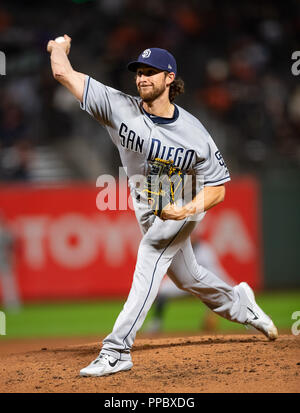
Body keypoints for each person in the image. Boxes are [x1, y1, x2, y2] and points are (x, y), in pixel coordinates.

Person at [47, 35, 278, 377]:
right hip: (146, 205)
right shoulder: (118, 106)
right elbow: (64, 75)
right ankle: (240, 304)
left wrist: (185, 212)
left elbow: (218, 189)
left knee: (151, 255)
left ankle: (116, 350)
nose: (142, 77)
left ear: (170, 78)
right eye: (139, 71)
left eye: (151, 72)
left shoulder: (195, 134)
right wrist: (57, 49)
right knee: (188, 276)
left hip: (181, 203)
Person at [145, 237, 235, 334]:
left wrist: (211, 311)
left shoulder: (204, 250)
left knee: (230, 292)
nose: (191, 237)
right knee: (163, 290)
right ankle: (156, 322)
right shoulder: (178, 247)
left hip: (201, 284)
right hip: (183, 283)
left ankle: (249, 319)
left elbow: (215, 272)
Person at [0, 213, 21, 311]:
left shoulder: (5, 231)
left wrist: (12, 257)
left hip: (4, 259)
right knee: (8, 282)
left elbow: (11, 246)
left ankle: (12, 304)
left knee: (9, 282)